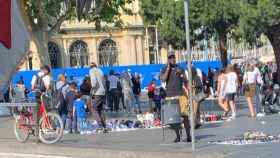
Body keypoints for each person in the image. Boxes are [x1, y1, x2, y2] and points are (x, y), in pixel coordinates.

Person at [160, 52, 191, 143]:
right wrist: (168, 69)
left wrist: (181, 74)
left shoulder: (180, 68)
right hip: (170, 96)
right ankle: (178, 136)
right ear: (168, 59)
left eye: (173, 57)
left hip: (181, 95)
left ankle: (188, 136)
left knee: (185, 116)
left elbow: (186, 80)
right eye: (170, 57)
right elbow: (163, 79)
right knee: (172, 118)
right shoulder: (164, 68)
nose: (172, 59)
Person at [31, 65, 52, 141]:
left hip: (36, 96)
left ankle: (37, 135)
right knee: (46, 112)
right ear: (46, 70)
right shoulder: (47, 77)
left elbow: (32, 87)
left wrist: (36, 88)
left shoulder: (35, 75)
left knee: (36, 115)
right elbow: (48, 87)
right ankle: (46, 126)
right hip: (43, 96)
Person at [89, 63, 108, 133]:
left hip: (97, 92)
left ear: (91, 67)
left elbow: (93, 81)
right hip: (103, 92)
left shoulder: (92, 71)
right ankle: (104, 126)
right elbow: (104, 82)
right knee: (100, 109)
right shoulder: (100, 70)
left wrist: (92, 90)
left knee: (94, 109)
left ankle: (100, 126)